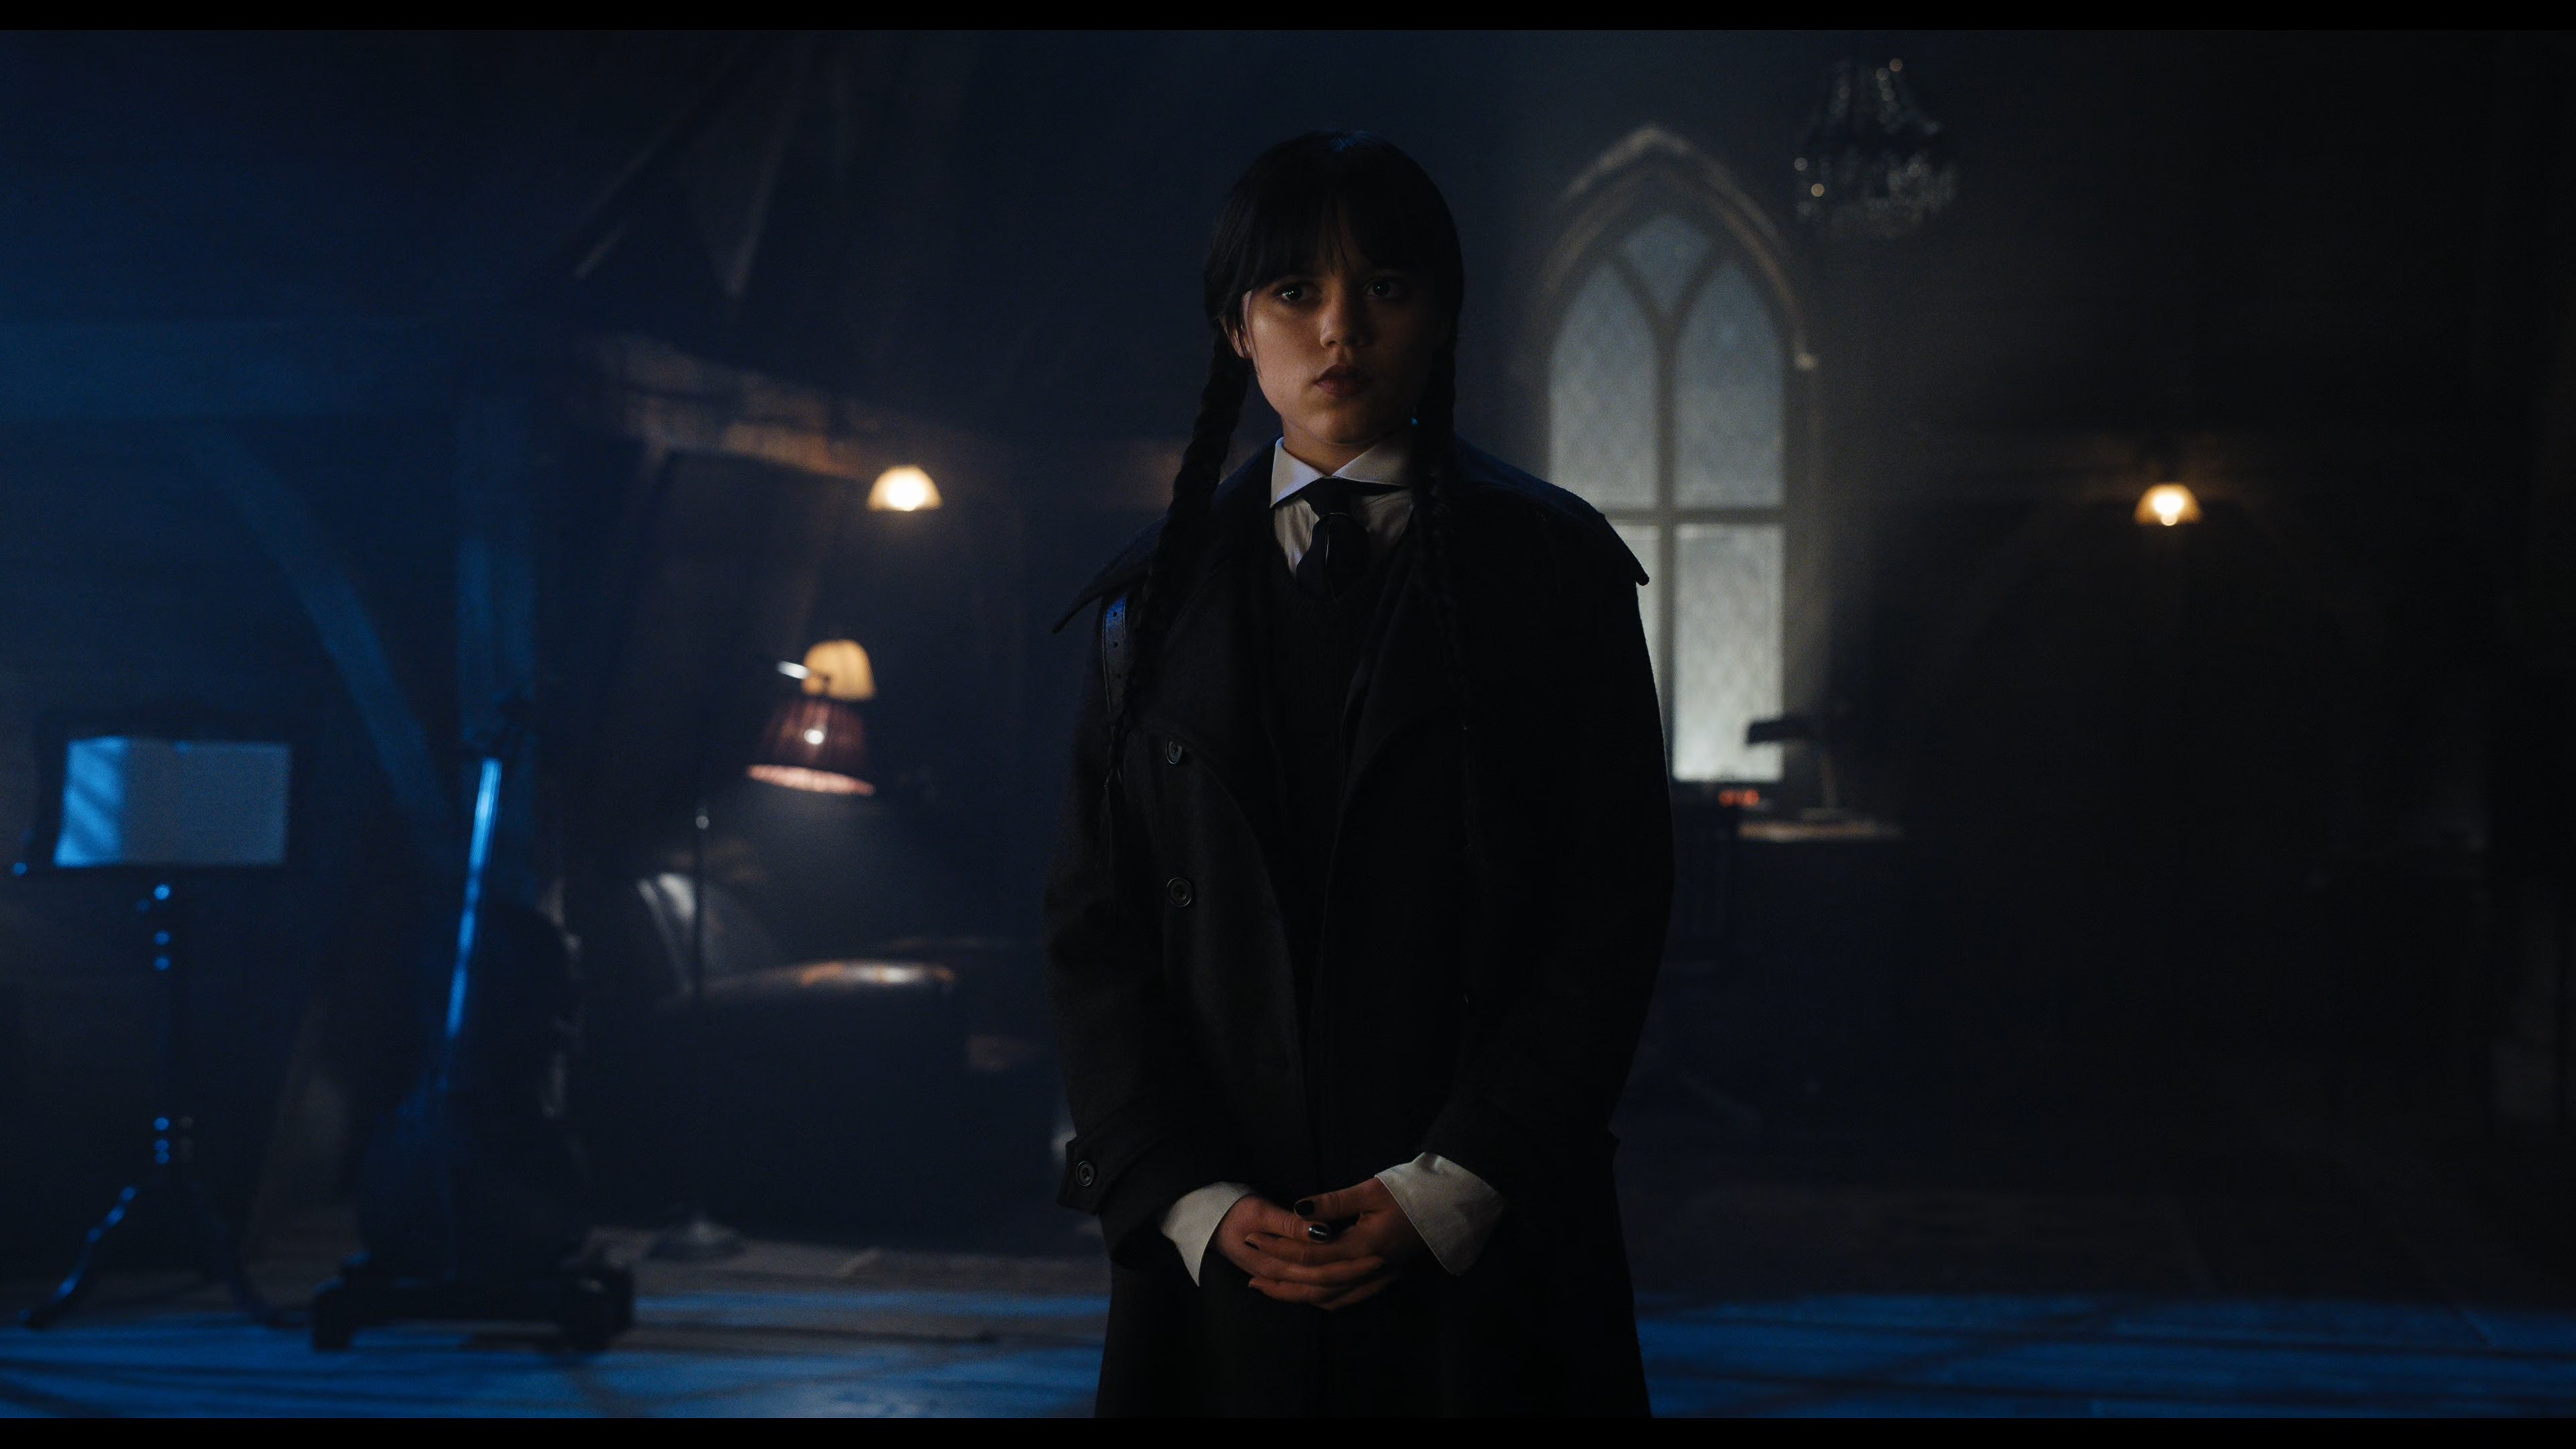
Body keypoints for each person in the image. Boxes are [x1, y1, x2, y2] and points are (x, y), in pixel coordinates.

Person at [1044, 131, 1672, 1416]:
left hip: (1489, 1240)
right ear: (1239, 328)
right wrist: (1190, 1196)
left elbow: (1611, 910)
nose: (1341, 328)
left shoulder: (1557, 577)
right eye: (1296, 291)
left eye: (1385, 286)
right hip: (1227, 1243)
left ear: (1441, 316)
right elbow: (1094, 927)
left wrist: (1454, 1184)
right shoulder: (1144, 607)